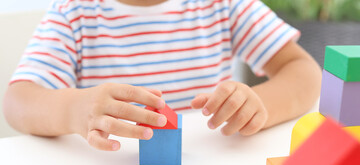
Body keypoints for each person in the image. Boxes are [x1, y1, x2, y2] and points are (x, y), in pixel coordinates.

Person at [3, 0, 322, 151]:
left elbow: (303, 71)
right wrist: (75, 110)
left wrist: (257, 106)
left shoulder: (225, 5)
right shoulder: (74, 13)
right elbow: (19, 101)